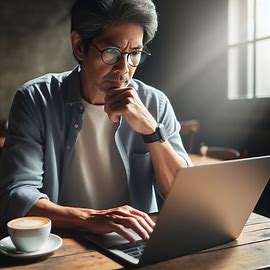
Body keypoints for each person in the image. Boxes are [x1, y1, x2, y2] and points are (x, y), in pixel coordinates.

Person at [0, 0, 192, 242]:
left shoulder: (155, 103)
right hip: (64, 244)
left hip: (137, 242)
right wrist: (90, 219)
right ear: (79, 46)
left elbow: (185, 199)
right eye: (112, 52)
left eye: (134, 54)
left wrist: (151, 131)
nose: (124, 69)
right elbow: (15, 196)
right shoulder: (36, 99)